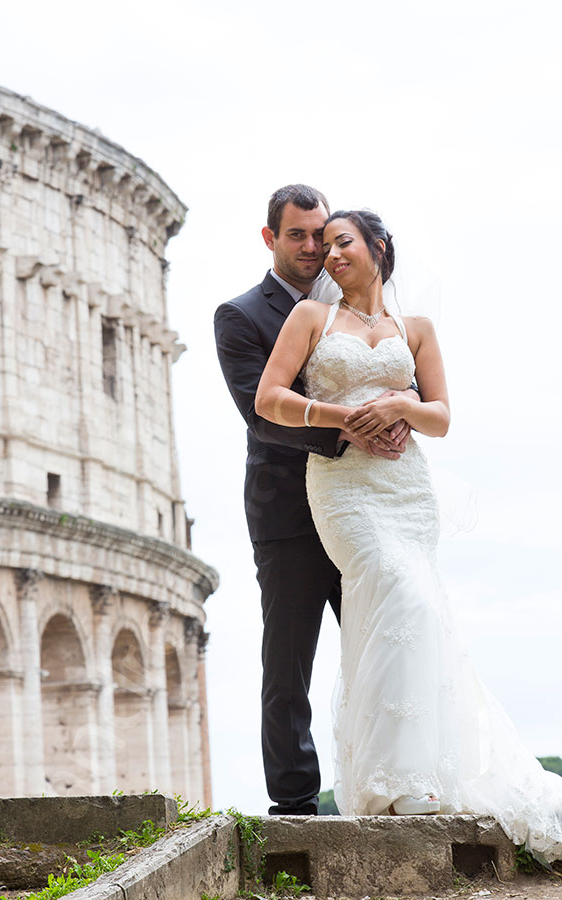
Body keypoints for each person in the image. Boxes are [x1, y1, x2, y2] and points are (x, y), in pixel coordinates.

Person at [255, 208, 562, 860]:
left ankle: (413, 772)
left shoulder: (414, 329)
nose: (331, 254)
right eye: (325, 245)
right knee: (394, 590)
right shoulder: (312, 319)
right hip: (344, 490)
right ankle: (392, 780)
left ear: (378, 248)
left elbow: (442, 417)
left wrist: (400, 407)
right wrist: (340, 416)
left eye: (343, 242)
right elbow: (269, 398)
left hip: (407, 492)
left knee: (416, 609)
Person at [214, 186, 416, 816]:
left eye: (322, 236)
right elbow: (261, 417)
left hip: (372, 505)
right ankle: (295, 807)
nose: (312, 249)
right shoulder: (241, 315)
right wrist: (351, 426)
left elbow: (398, 375)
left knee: (387, 643)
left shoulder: (354, 298)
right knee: (289, 663)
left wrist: (400, 415)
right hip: (290, 513)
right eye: (298, 236)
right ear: (270, 238)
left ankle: (389, 785)